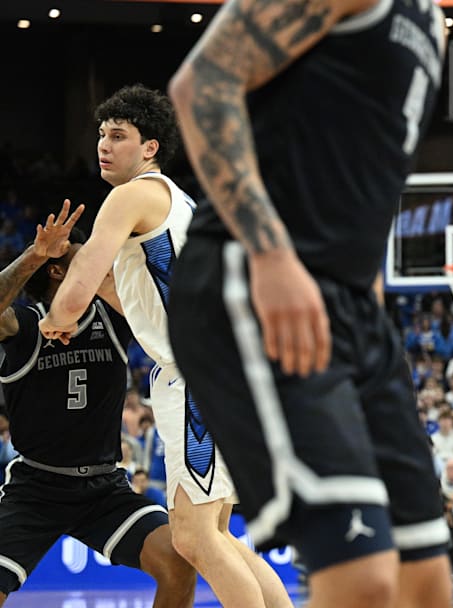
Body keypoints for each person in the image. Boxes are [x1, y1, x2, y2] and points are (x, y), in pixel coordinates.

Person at [165, 0, 452, 606]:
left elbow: (363, 193)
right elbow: (202, 83)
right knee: (363, 581)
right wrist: (271, 255)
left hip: (351, 307)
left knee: (422, 585)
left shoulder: (431, 22)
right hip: (258, 275)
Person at [39, 85, 290, 608]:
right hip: (229, 368)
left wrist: (56, 320)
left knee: (195, 537)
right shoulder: (178, 202)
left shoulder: (128, 196)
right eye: (101, 134)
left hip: (196, 373)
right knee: (217, 533)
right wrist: (77, 271)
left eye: (118, 135)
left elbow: (78, 289)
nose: (104, 145)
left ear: (149, 148)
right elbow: (138, 302)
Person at [0, 201, 194, 604]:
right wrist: (34, 253)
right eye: (82, 256)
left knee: (179, 562)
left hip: (104, 487)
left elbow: (164, 305)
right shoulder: (25, 324)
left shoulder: (112, 315)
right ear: (57, 270)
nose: (98, 261)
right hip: (36, 487)